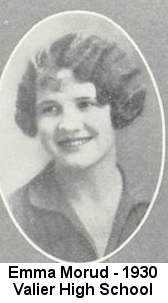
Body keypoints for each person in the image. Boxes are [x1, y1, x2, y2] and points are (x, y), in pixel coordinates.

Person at [9, 34, 148, 262]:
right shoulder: (13, 215)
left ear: (117, 108)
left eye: (85, 104)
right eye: (50, 108)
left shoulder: (154, 205)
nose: (68, 125)